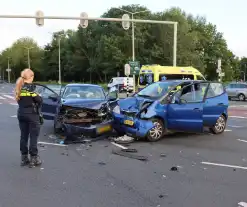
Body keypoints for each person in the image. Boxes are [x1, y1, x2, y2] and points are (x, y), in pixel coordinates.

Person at [14, 68, 43, 168]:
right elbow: (39, 100)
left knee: (24, 136)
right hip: (32, 115)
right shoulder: (31, 89)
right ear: (31, 77)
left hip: (21, 114)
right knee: (33, 136)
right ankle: (34, 158)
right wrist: (37, 95)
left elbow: (20, 100)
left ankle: (24, 158)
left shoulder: (19, 87)